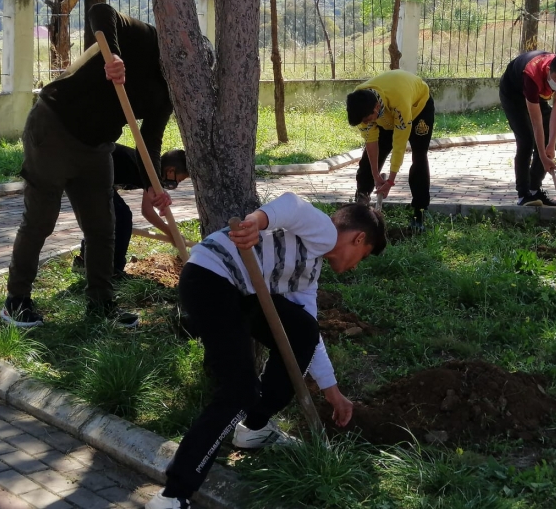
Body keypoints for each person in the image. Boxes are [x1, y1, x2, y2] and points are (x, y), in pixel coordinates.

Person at [145, 192, 387, 509]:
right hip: (210, 280)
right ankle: (173, 494)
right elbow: (292, 205)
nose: (355, 267)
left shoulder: (308, 273)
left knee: (302, 331)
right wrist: (255, 223)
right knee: (238, 391)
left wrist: (333, 393)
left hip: (241, 292)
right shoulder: (324, 232)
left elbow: (310, 339)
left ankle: (254, 427)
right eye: (363, 256)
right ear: (358, 239)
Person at [2, 3, 174, 329]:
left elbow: (149, 141)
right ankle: (16, 301)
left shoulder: (170, 90)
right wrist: (113, 56)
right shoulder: (145, 37)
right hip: (54, 127)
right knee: (40, 221)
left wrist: (153, 185)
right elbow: (100, 11)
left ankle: (101, 303)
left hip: (97, 147)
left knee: (103, 227)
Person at [73, 145, 190, 278]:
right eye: (179, 180)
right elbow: (148, 212)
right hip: (89, 169)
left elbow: (145, 207)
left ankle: (83, 262)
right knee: (122, 217)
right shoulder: (151, 171)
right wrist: (172, 234)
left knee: (108, 216)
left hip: (92, 171)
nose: (177, 184)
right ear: (170, 171)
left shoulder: (151, 169)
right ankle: (114, 270)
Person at [346, 69, 435, 231]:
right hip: (386, 117)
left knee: (419, 157)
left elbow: (399, 146)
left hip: (418, 108)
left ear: (376, 107)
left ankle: (419, 213)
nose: (365, 123)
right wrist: (375, 175)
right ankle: (361, 206)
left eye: (367, 120)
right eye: (363, 122)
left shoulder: (399, 100)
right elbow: (371, 142)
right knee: (367, 162)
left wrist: (390, 181)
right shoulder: (359, 102)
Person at [498, 50, 556, 206]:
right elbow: (536, 122)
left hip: (536, 93)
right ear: (548, 70)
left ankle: (534, 190)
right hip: (513, 93)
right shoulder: (532, 75)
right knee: (526, 140)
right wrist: (543, 157)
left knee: (546, 139)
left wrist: (551, 144)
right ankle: (523, 194)